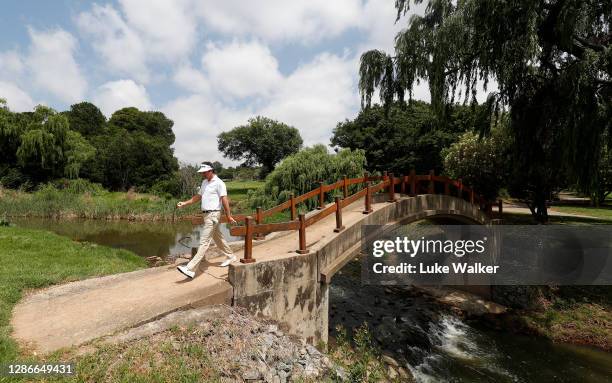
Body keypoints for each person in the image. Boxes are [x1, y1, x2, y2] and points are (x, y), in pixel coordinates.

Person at [175, 163, 237, 278]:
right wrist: (184, 203)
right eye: (202, 172)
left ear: (211, 171)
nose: (202, 174)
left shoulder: (219, 183)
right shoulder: (204, 182)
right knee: (218, 238)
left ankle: (190, 268)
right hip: (206, 215)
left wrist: (228, 216)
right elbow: (198, 197)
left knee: (204, 242)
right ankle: (230, 255)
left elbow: (224, 200)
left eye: (204, 172)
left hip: (213, 215)